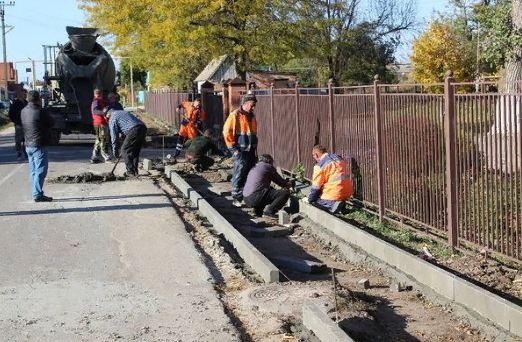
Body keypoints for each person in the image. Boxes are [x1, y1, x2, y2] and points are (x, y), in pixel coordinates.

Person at [223, 92, 258, 207]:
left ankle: (245, 196)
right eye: (252, 105)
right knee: (239, 173)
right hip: (240, 150)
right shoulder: (235, 115)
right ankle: (236, 198)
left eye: (254, 105)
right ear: (246, 103)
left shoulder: (251, 117)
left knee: (248, 173)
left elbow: (252, 133)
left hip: (250, 150)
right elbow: (226, 132)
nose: (253, 107)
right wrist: (234, 150)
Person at [21, 91, 55, 202]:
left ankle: (36, 192)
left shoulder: (23, 111)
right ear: (38, 99)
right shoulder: (39, 111)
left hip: (28, 144)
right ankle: (37, 194)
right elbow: (51, 122)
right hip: (39, 144)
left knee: (33, 170)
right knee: (41, 170)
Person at [307, 145, 354, 213]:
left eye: (314, 157)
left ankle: (332, 205)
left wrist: (311, 200)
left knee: (317, 202)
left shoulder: (320, 165)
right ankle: (341, 205)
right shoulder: (339, 158)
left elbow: (316, 187)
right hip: (347, 192)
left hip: (334, 193)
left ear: (316, 155)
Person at [243, 154, 291, 218]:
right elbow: (279, 181)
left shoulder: (255, 167)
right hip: (255, 197)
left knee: (268, 190)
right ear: (269, 161)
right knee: (284, 193)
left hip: (246, 198)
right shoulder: (267, 167)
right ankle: (270, 211)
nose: (272, 164)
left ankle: (258, 211)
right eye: (272, 162)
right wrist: (287, 184)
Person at [107, 110, 147, 177]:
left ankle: (130, 172)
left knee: (125, 150)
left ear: (108, 115)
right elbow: (126, 127)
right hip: (142, 127)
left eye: (106, 118)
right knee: (135, 151)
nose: (107, 120)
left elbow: (114, 136)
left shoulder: (112, 118)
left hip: (134, 129)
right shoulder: (122, 113)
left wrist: (115, 150)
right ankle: (134, 171)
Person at [91, 89, 112, 163]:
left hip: (101, 123)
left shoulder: (101, 102)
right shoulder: (96, 102)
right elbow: (94, 111)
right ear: (95, 94)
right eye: (97, 93)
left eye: (99, 93)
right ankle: (106, 157)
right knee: (103, 139)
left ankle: (95, 156)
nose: (98, 95)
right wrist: (103, 112)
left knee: (99, 140)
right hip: (100, 123)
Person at [8, 89, 28, 160]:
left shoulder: (26, 103)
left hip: (26, 123)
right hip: (19, 123)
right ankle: (19, 151)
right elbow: (11, 113)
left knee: (26, 138)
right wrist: (15, 120)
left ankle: (26, 152)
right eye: (24, 93)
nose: (25, 95)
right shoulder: (15, 103)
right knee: (19, 138)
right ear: (20, 94)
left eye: (26, 93)